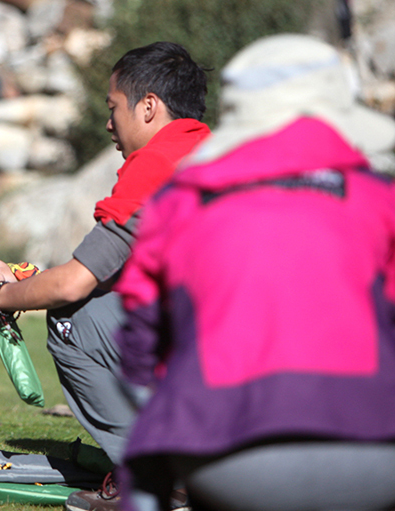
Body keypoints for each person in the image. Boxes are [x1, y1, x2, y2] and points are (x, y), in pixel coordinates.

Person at [115, 34, 395, 511]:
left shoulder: (177, 202)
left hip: (225, 459)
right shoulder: (378, 199)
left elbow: (138, 347)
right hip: (375, 451)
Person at [0, 42, 211, 510]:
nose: (109, 123)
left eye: (114, 107)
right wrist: (23, 278)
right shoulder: (213, 151)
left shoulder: (157, 165)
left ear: (150, 107)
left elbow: (74, 285)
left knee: (72, 315)